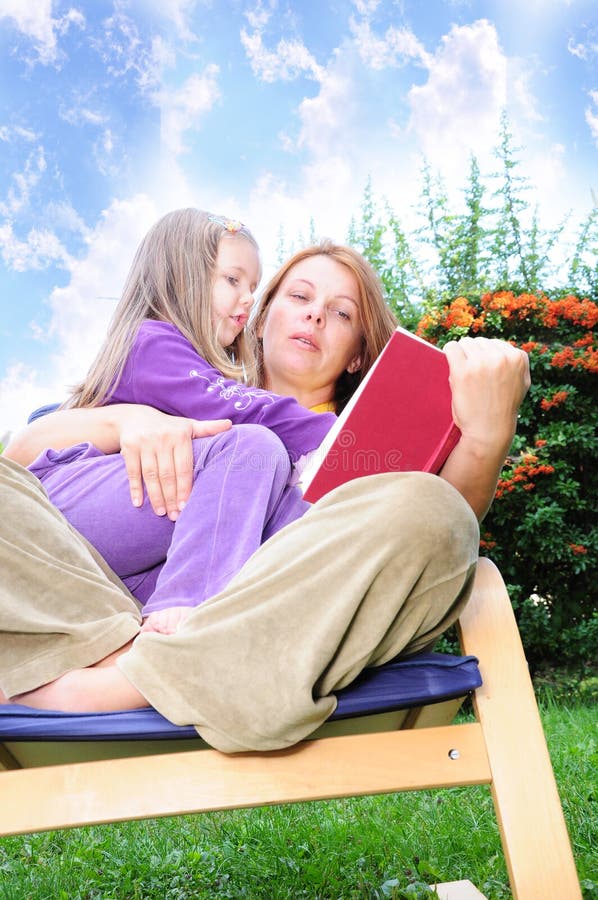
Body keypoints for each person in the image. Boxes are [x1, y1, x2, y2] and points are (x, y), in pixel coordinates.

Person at [1, 240, 531, 752]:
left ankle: (124, 684)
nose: (316, 316)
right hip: (97, 605)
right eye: (299, 297)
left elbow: (435, 529)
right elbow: (21, 463)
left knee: (431, 510)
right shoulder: (182, 387)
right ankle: (135, 664)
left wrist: (486, 436)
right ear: (260, 320)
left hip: (256, 630)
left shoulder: (373, 460)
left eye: (342, 314)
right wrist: (126, 420)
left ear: (356, 356)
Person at [23, 210, 362, 636]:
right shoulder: (150, 343)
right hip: (67, 508)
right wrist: (347, 438)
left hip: (128, 545)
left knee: (281, 495)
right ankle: (182, 614)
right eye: (232, 281)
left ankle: (166, 622)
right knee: (252, 447)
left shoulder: (183, 362)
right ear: (182, 278)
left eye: (253, 288)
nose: (247, 300)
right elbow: (241, 409)